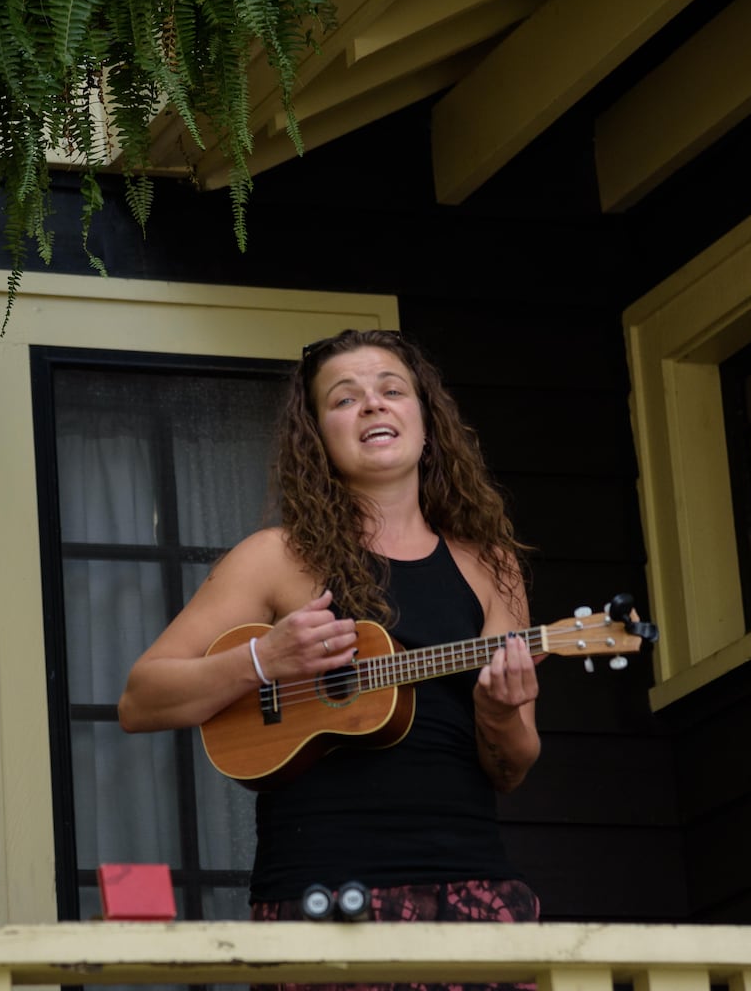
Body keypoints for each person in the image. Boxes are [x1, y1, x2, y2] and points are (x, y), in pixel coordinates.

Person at [118, 329, 642, 987]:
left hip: (471, 892)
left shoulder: (490, 566)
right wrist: (262, 658)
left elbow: (514, 765)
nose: (373, 405)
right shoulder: (275, 557)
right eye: (345, 398)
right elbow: (140, 699)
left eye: (392, 390)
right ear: (316, 435)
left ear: (425, 418)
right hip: (322, 895)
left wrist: (499, 710)